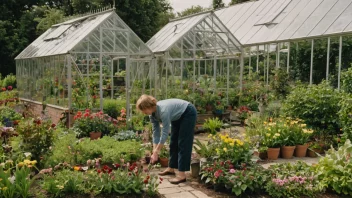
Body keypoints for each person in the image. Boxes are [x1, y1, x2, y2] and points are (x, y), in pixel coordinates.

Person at [136, 94, 197, 184]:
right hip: (177, 116)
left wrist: (157, 151)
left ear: (150, 106)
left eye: (144, 109)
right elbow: (156, 132)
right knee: (173, 142)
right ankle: (171, 168)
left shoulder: (163, 111)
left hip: (188, 112)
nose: (143, 112)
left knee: (183, 143)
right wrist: (154, 151)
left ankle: (181, 175)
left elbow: (164, 133)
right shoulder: (152, 115)